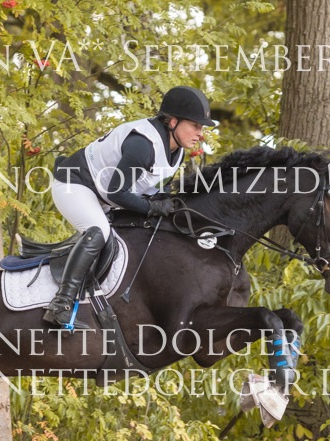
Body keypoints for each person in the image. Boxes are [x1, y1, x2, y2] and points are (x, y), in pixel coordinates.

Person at [43, 86, 216, 329]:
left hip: (104, 196)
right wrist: (152, 208)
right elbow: (117, 192)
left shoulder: (176, 150)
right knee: (99, 232)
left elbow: (155, 189)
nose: (201, 134)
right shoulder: (142, 145)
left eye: (202, 128)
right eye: (196, 126)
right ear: (173, 121)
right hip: (75, 185)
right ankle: (60, 304)